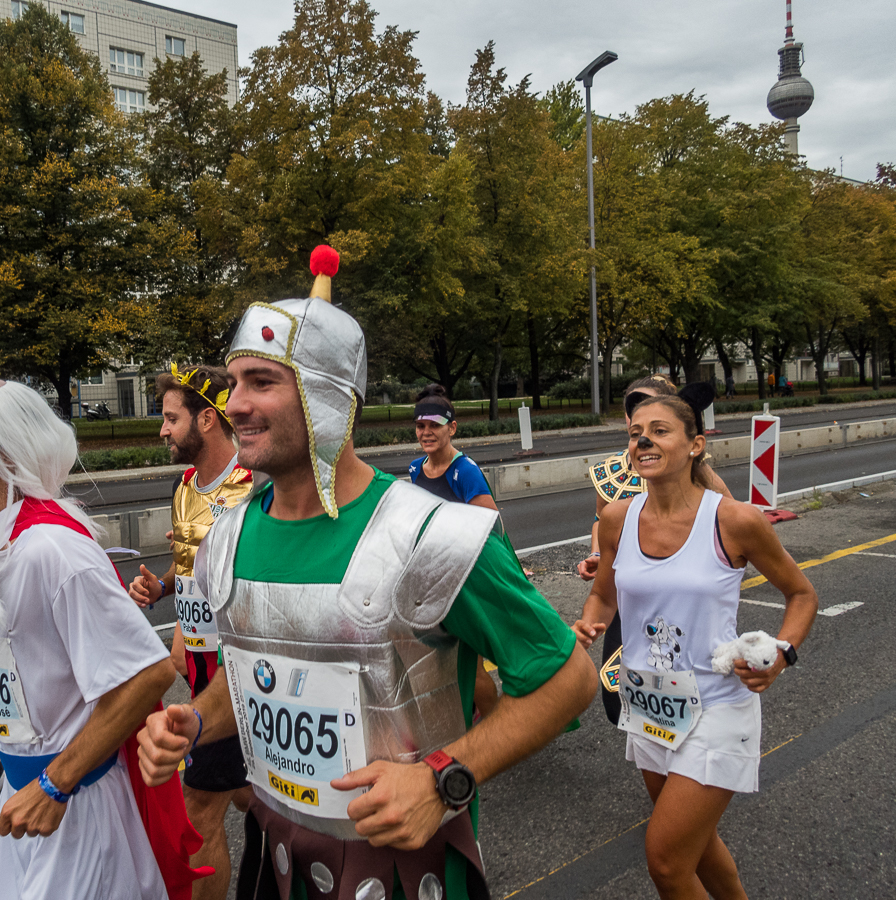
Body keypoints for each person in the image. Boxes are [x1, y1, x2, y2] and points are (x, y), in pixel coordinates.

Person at [138, 246, 597, 900]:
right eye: (234, 382)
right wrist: (197, 721)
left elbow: (568, 678)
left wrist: (444, 779)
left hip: (406, 878)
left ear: (329, 399)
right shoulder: (229, 534)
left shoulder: (428, 536)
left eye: (262, 382)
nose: (234, 403)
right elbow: (256, 671)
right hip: (274, 866)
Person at [0, 377, 199, 900]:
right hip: (26, 795)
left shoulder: (51, 551)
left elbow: (149, 673)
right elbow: (23, 663)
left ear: (3, 453)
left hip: (77, 807)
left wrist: (55, 785)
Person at [572, 389, 818, 900]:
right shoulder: (617, 518)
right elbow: (604, 597)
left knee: (665, 861)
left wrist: (783, 653)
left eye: (660, 431)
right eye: (636, 434)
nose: (644, 440)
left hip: (718, 706)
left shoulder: (734, 520)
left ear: (695, 445)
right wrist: (585, 628)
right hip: (650, 705)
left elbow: (801, 594)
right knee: (698, 849)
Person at [129, 364, 254, 900]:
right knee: (254, 796)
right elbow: (192, 565)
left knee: (199, 807)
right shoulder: (185, 485)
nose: (162, 430)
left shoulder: (254, 484)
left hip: (242, 678)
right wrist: (163, 590)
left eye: (170, 418)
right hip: (200, 673)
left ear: (207, 418)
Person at [578, 376, 733, 725]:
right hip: (629, 594)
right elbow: (602, 523)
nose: (641, 419)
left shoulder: (701, 476)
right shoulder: (612, 473)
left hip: (684, 609)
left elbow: (729, 529)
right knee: (621, 703)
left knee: (688, 706)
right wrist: (599, 556)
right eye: (634, 410)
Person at [407, 383, 501, 720]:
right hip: (434, 581)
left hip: (466, 583)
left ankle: (497, 733)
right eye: (421, 425)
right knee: (444, 663)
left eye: (435, 425)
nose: (427, 432)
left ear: (452, 428)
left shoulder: (465, 471)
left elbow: (491, 528)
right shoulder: (416, 469)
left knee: (471, 669)